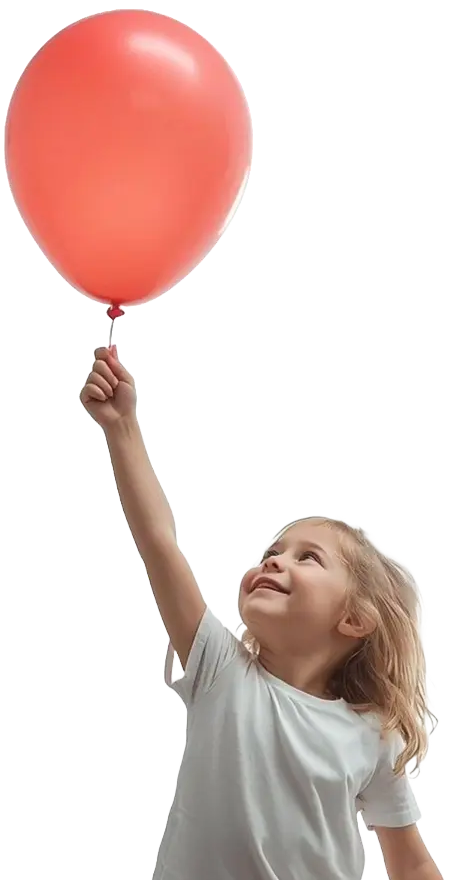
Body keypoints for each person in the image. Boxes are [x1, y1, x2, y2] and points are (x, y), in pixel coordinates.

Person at [80, 345, 443, 880]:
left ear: (355, 620)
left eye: (307, 558)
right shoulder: (220, 669)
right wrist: (123, 428)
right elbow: (158, 541)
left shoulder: (370, 734)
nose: (272, 563)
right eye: (271, 554)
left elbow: (410, 864)